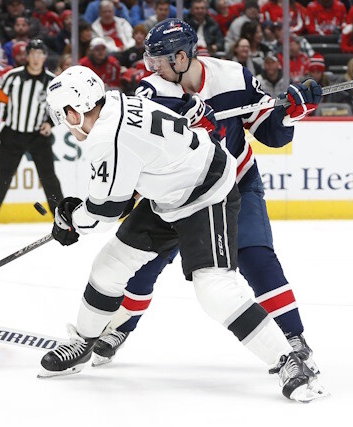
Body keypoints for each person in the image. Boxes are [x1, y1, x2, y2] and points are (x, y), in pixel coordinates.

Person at [39, 65, 326, 403]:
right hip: (168, 192)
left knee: (214, 290)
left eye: (63, 117)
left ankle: (289, 362)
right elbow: (126, 180)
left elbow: (105, 210)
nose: (65, 126)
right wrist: (80, 213)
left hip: (207, 191)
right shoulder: (117, 101)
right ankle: (84, 340)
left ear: (74, 112)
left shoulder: (105, 137)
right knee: (110, 264)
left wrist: (69, 219)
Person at [94, 19, 323, 382]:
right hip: (178, 192)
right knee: (144, 265)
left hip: (235, 182)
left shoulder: (233, 77)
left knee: (254, 255)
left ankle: (293, 339)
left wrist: (291, 113)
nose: (151, 68)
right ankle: (119, 327)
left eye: (159, 61)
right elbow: (144, 147)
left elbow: (270, 134)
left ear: (182, 57)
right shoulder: (151, 92)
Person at [0, 39, 63, 230]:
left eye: (40, 54)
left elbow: (60, 107)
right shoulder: (12, 77)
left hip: (38, 136)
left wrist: (51, 123)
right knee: (2, 175)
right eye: (32, 53)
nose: (36, 58)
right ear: (27, 56)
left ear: (45, 57)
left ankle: (60, 215)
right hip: (12, 133)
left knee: (49, 177)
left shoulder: (52, 81)